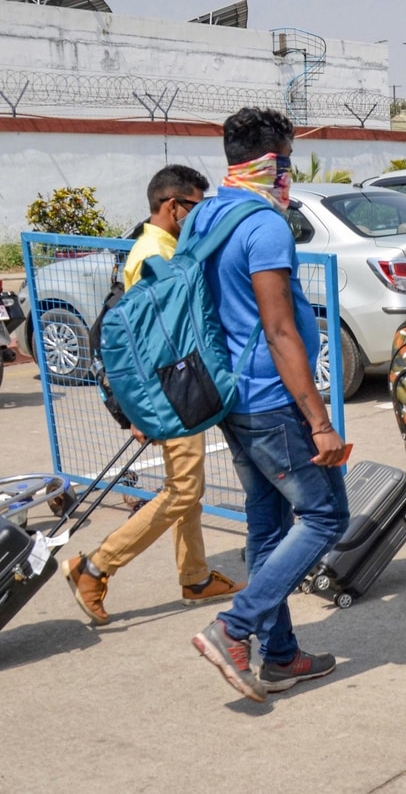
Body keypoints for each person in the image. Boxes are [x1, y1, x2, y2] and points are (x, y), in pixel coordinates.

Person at [189, 108, 349, 702]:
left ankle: (279, 656)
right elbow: (280, 329)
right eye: (287, 159)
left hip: (230, 395)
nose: (290, 172)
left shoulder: (206, 213)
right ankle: (235, 627)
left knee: (267, 523)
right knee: (328, 516)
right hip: (272, 401)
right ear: (271, 161)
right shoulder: (265, 226)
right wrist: (320, 421)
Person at [64, 166, 243, 625]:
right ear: (172, 206)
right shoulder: (153, 253)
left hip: (178, 384)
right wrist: (143, 411)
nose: (199, 216)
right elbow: (143, 348)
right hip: (175, 388)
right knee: (183, 490)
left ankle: (196, 576)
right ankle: (95, 565)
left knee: (187, 489)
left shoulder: (161, 247)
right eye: (195, 207)